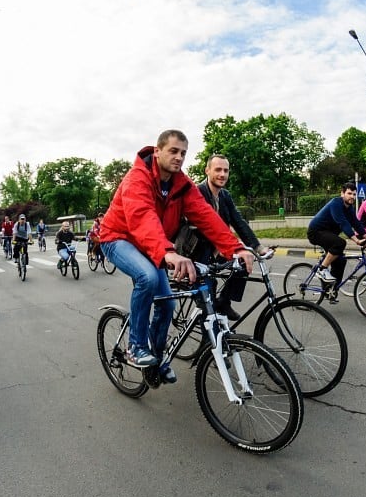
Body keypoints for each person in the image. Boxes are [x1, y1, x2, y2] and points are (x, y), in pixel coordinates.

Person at [99, 129, 254, 385]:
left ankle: (156, 362)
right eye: (173, 151)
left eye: (183, 153)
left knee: (168, 305)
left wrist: (235, 247)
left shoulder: (182, 185)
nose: (179, 157)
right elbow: (142, 217)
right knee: (147, 277)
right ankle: (135, 346)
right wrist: (168, 252)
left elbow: (206, 216)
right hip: (119, 238)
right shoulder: (137, 178)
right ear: (157, 151)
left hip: (152, 245)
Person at [194, 154, 269, 320]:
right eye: (218, 169)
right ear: (207, 170)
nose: (222, 174)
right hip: (198, 251)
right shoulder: (197, 192)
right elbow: (199, 226)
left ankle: (225, 301)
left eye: (226, 170)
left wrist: (258, 247)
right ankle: (209, 341)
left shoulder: (225, 195)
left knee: (243, 261)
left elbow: (239, 221)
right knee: (208, 295)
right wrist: (220, 246)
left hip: (218, 249)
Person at [307, 182, 366, 303]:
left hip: (329, 235)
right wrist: (357, 240)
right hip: (316, 232)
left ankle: (330, 291)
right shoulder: (336, 203)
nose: (352, 196)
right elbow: (343, 223)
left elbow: (356, 223)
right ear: (342, 193)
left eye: (354, 194)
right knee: (340, 243)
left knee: (340, 261)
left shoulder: (349, 208)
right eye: (349, 193)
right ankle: (322, 269)